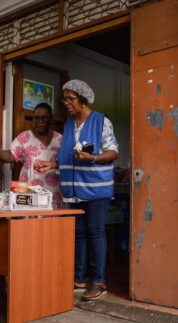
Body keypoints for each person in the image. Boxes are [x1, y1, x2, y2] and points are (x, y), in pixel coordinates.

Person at [37, 80, 118, 300]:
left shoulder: (101, 121)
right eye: (65, 99)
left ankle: (99, 281)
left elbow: (112, 152)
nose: (66, 103)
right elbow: (68, 154)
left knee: (95, 233)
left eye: (70, 98)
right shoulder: (69, 124)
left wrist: (92, 157)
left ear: (83, 99)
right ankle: (79, 278)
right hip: (73, 189)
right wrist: (52, 165)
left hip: (95, 190)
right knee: (79, 234)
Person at [0, 102, 63, 208]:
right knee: (30, 223)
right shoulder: (24, 137)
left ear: (51, 119)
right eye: (36, 118)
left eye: (44, 118)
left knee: (51, 223)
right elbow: (9, 156)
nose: (40, 122)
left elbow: (66, 162)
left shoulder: (59, 139)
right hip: (30, 192)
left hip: (54, 193)